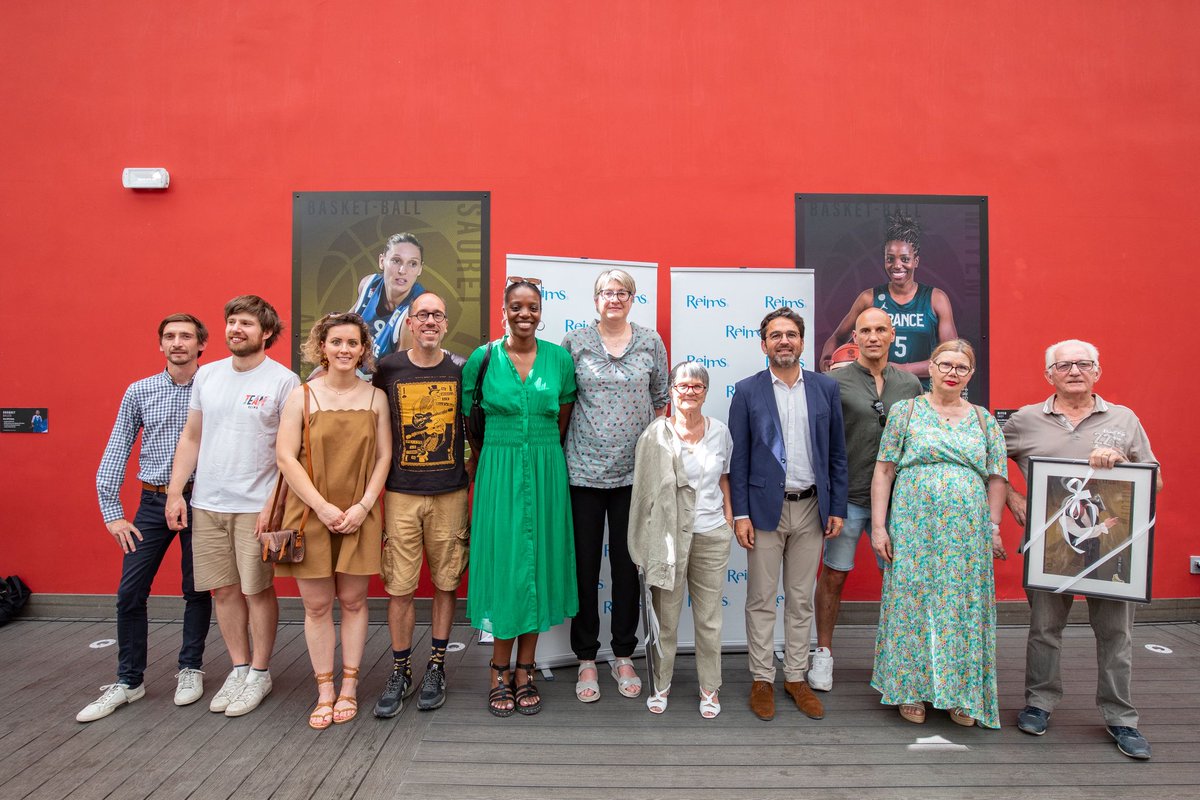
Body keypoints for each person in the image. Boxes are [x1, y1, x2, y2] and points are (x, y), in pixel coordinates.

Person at [1004, 339, 1162, 760]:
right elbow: (984, 461)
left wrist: (1122, 463)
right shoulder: (1025, 420)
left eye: (1083, 364)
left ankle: (1121, 718)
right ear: (1048, 375)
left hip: (1111, 551)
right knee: (1044, 630)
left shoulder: (1124, 419)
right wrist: (1013, 499)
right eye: (1064, 365)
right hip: (1049, 548)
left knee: (1115, 634)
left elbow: (1155, 482)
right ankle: (1039, 703)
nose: (1074, 370)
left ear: (1098, 371)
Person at [166, 295, 299, 718]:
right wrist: (175, 491)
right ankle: (239, 667)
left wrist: (272, 504)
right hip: (207, 502)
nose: (235, 330)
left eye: (245, 324)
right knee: (222, 590)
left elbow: (289, 451)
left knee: (256, 589)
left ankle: (260, 671)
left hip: (255, 506)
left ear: (266, 334)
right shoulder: (208, 375)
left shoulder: (283, 381)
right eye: (231, 322)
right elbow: (192, 436)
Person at [78, 314, 214, 722]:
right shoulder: (139, 391)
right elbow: (116, 449)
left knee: (197, 589)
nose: (177, 342)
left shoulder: (213, 387)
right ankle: (128, 680)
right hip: (152, 503)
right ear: (160, 345)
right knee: (130, 593)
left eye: (186, 336)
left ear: (201, 344)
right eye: (170, 336)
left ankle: (190, 668)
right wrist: (113, 514)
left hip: (202, 501)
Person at [869, 338, 1007, 728]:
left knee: (962, 607)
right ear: (930, 368)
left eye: (961, 368)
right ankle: (910, 689)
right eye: (945, 365)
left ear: (971, 374)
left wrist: (993, 527)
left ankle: (960, 694)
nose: (952, 373)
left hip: (966, 531)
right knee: (911, 604)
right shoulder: (906, 412)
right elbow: (884, 470)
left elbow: (997, 477)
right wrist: (879, 527)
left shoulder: (984, 420)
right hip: (913, 525)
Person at [463, 277, 578, 717]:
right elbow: (468, 417)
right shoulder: (483, 358)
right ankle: (498, 669)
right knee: (508, 564)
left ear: (541, 311)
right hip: (499, 468)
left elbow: (563, 417)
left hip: (547, 468)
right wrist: (487, 459)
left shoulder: (560, 359)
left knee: (537, 564)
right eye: (516, 306)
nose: (524, 313)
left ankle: (526, 668)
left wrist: (544, 454)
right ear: (504, 311)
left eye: (532, 306)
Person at [729, 307, 848, 723]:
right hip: (764, 511)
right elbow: (738, 459)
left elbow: (836, 453)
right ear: (764, 344)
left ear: (802, 341)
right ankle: (762, 678)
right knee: (761, 598)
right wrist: (739, 513)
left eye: (791, 335)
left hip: (813, 507)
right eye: (775, 335)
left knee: (800, 599)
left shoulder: (825, 389)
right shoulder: (746, 391)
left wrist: (837, 506)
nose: (784, 341)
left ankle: (795, 677)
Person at [275, 313, 391, 729]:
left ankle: (349, 686)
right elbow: (286, 457)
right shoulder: (301, 396)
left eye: (353, 343)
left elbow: (384, 458)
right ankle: (324, 688)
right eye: (336, 342)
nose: (344, 350)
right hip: (309, 512)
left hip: (360, 513)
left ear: (364, 349)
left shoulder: (376, 397)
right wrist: (322, 507)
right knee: (317, 605)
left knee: (355, 602)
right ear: (321, 346)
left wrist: (362, 506)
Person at [562, 268, 668, 703]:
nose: (614, 298)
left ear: (632, 298)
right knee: (584, 569)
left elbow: (662, 398)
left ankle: (623, 652)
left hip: (635, 476)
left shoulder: (651, 342)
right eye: (607, 291)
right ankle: (587, 657)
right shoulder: (574, 343)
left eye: (622, 292)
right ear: (595, 299)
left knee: (628, 569)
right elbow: (565, 401)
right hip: (583, 472)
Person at [371, 293, 471, 718]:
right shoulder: (387, 370)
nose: (429, 320)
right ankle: (400, 669)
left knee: (446, 582)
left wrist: (471, 469)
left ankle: (436, 665)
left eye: (437, 315)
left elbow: (476, 426)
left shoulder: (462, 369)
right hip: (400, 493)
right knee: (400, 586)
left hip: (450, 492)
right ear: (409, 323)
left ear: (445, 323)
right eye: (422, 314)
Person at [810, 308, 921, 692]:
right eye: (865, 331)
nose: (873, 337)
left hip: (899, 503)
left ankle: (899, 656)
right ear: (854, 338)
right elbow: (818, 442)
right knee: (835, 575)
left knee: (900, 581)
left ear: (892, 335)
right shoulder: (832, 382)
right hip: (848, 499)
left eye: (880, 330)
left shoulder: (910, 384)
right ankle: (823, 653)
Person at [629, 362, 733, 718]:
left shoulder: (720, 432)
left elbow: (725, 478)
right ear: (671, 390)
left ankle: (710, 688)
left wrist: (729, 520)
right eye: (683, 386)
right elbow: (642, 494)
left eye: (697, 387)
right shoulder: (656, 434)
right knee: (666, 618)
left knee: (709, 618)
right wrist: (642, 542)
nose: (690, 392)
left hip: (710, 534)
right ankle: (661, 683)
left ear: (706, 392)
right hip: (668, 539)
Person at [819, 212, 957, 385]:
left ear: (916, 261)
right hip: (876, 393)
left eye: (905, 259)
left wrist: (901, 369)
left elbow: (952, 357)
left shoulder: (935, 299)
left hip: (922, 395)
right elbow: (838, 337)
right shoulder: (869, 298)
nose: (897, 265)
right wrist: (827, 359)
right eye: (890, 259)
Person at [350, 232, 428, 364]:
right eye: (396, 261)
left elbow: (399, 375)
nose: (403, 270)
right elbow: (341, 331)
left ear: (420, 269)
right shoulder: (368, 285)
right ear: (382, 261)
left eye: (413, 264)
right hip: (351, 371)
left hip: (382, 381)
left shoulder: (417, 311)